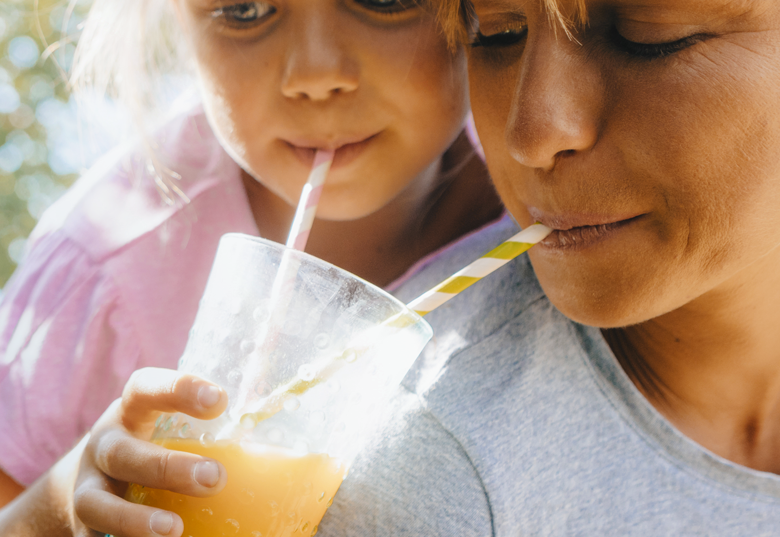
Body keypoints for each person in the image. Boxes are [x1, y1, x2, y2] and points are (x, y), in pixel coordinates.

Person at [64, 0, 780, 535]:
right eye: (495, 34)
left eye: (650, 33)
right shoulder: (427, 460)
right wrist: (52, 506)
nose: (532, 133)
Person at [0, 0, 510, 534]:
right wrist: (64, 504)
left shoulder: (555, 195)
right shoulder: (113, 257)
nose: (316, 73)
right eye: (245, 10)